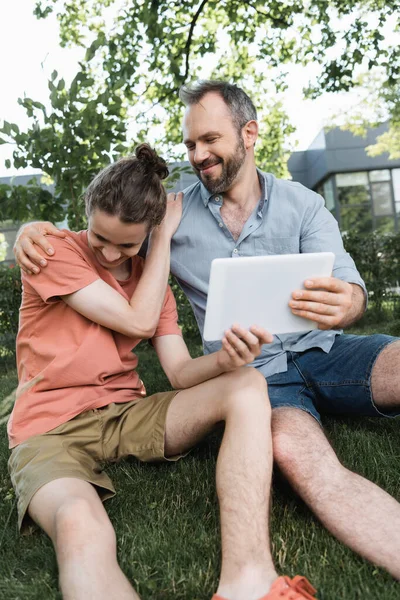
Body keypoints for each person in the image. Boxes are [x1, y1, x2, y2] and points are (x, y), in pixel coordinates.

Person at [14, 81, 400, 580]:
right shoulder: (165, 221)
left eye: (210, 140)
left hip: (325, 348)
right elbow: (102, 237)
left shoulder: (300, 203)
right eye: (190, 144)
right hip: (256, 373)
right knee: (307, 461)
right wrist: (31, 229)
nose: (198, 154)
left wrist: (349, 301)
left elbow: (353, 292)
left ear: (249, 134)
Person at [8, 144, 318, 600]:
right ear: (86, 215)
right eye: (100, 238)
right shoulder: (52, 250)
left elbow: (179, 373)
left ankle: (248, 581)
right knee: (78, 521)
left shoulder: (153, 288)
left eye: (128, 244)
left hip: (125, 418)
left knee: (247, 384)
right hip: (48, 431)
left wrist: (227, 360)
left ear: (147, 233)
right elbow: (137, 322)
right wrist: (164, 241)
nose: (111, 254)